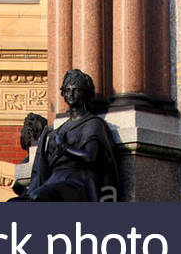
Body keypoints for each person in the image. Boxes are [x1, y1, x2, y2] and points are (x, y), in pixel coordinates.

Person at [12, 70, 119, 202]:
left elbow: (90, 156)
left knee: (39, 196)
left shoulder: (92, 123)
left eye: (76, 89)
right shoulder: (60, 129)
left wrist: (64, 146)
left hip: (78, 179)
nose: (71, 94)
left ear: (86, 93)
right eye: (67, 90)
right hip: (55, 179)